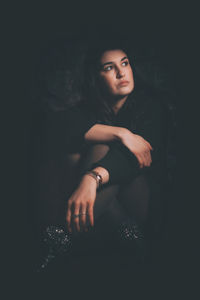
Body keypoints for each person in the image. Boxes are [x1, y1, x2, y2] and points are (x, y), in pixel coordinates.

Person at [37, 38, 168, 271]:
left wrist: (92, 177)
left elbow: (131, 162)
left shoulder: (152, 108)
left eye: (124, 63)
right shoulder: (89, 109)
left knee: (99, 151)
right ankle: (126, 232)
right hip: (115, 209)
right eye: (109, 67)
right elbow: (52, 128)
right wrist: (120, 133)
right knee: (69, 154)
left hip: (144, 201)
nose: (121, 73)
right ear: (96, 77)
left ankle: (61, 239)